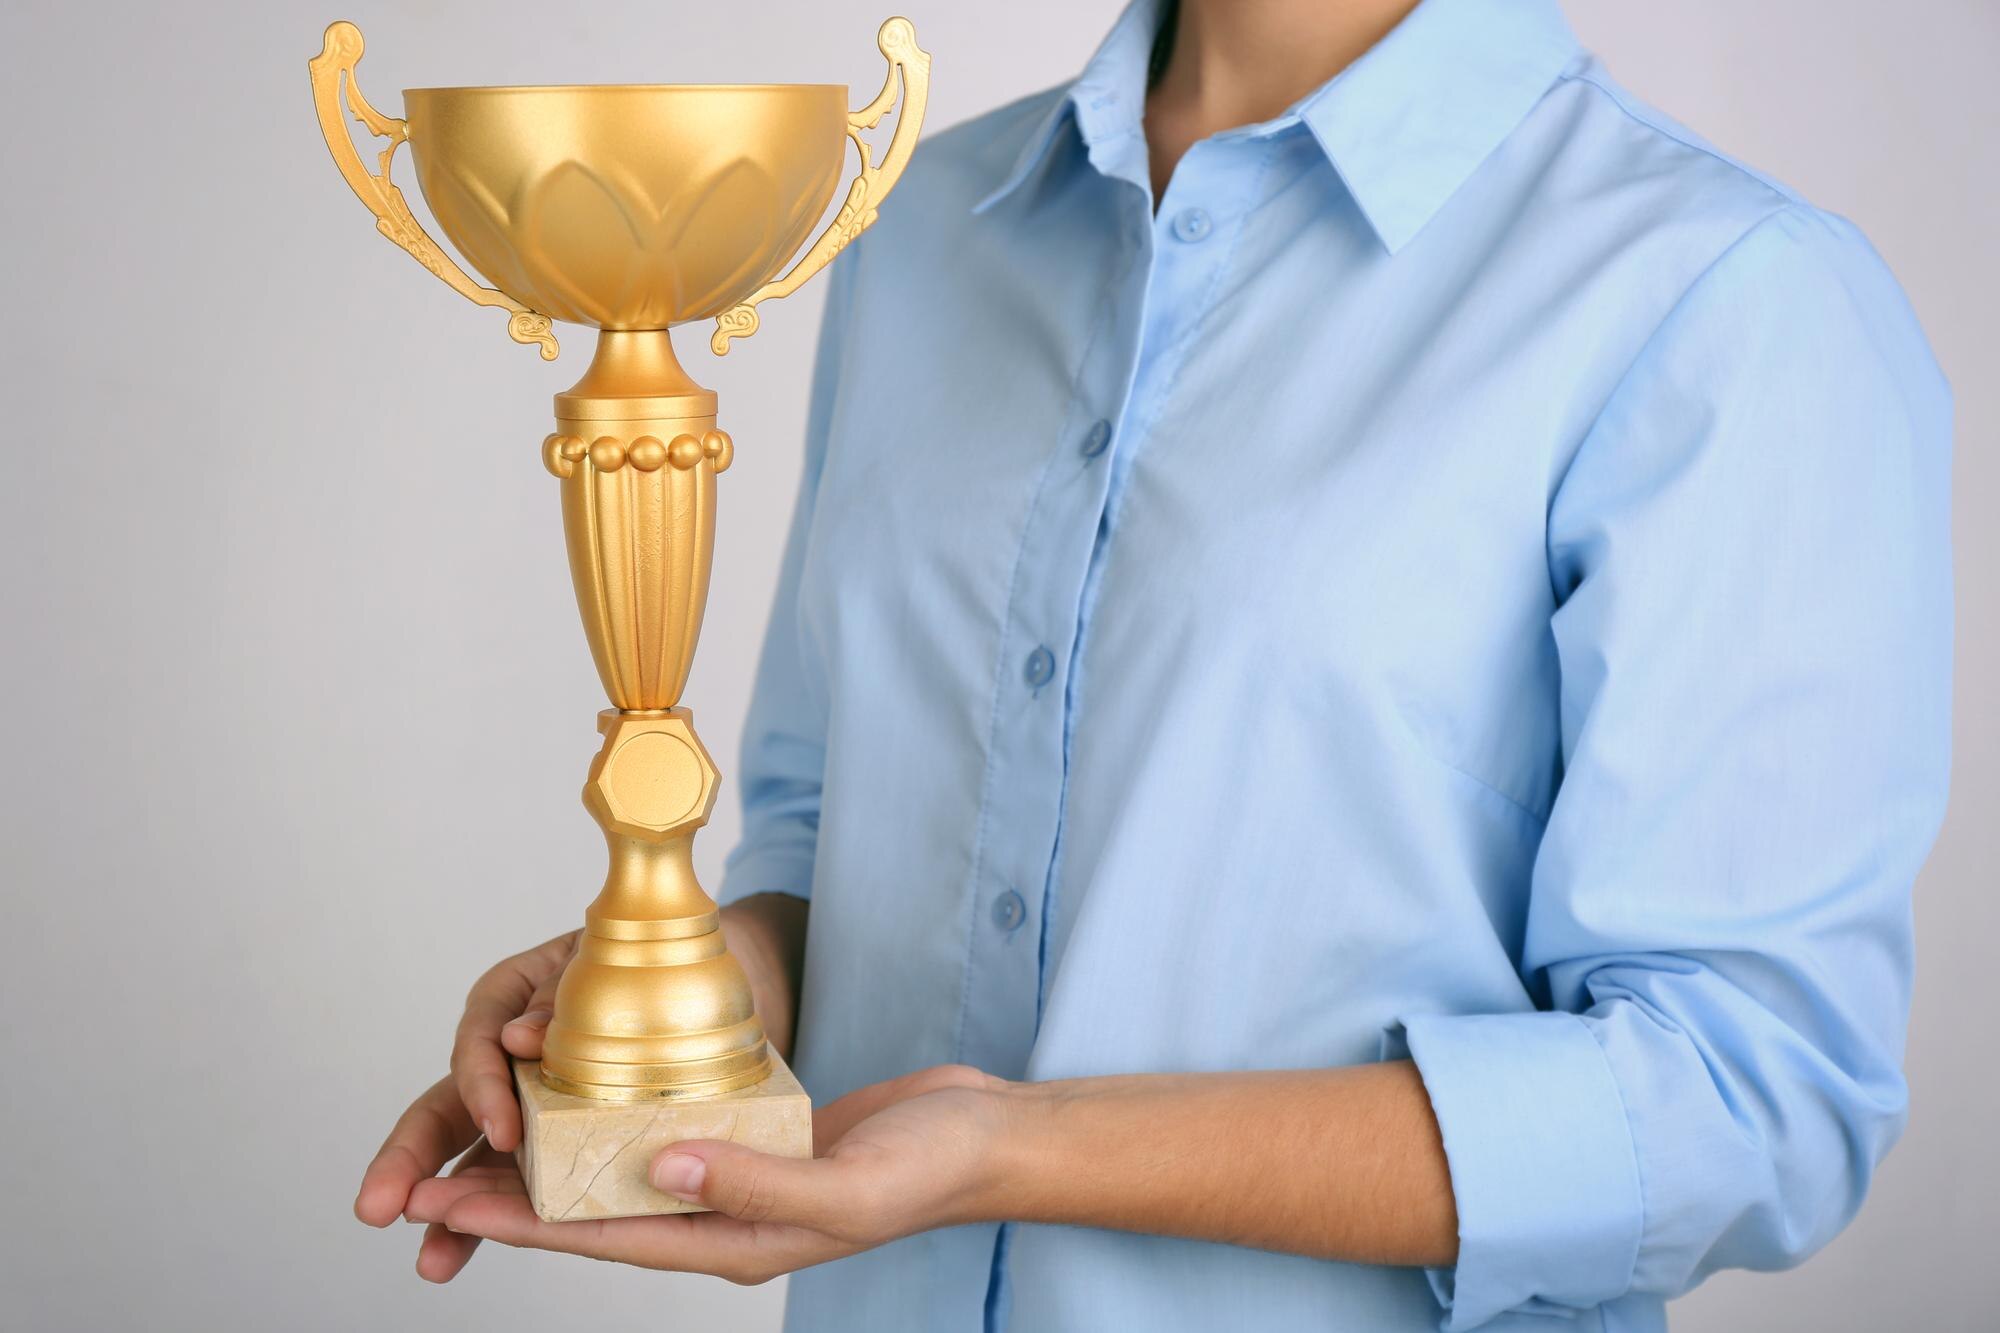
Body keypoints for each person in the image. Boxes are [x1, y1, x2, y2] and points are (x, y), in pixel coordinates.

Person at [354, 0, 1953, 1328]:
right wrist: (678, 999)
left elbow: (1748, 1098)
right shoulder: (912, 227)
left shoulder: (1723, 298)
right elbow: (821, 827)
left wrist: (1022, 1151)